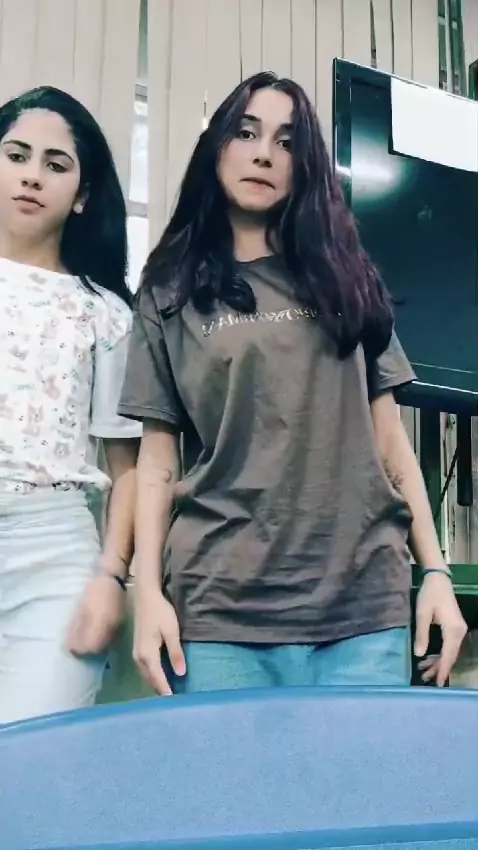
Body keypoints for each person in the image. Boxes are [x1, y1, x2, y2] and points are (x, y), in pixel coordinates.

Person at [119, 71, 466, 696]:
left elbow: (391, 445)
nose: (264, 154)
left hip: (364, 609)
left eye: (286, 142)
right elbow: (156, 463)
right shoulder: (169, 292)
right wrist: (146, 593)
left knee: (361, 767)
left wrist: (436, 571)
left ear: (305, 166)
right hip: (220, 609)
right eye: (246, 133)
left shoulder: (348, 278)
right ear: (217, 146)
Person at [0, 86, 141, 723]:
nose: (32, 175)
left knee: (32, 759)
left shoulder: (104, 313)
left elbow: (128, 468)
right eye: (16, 156)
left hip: (53, 556)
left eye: (56, 164)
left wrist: (111, 578)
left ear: (82, 195)